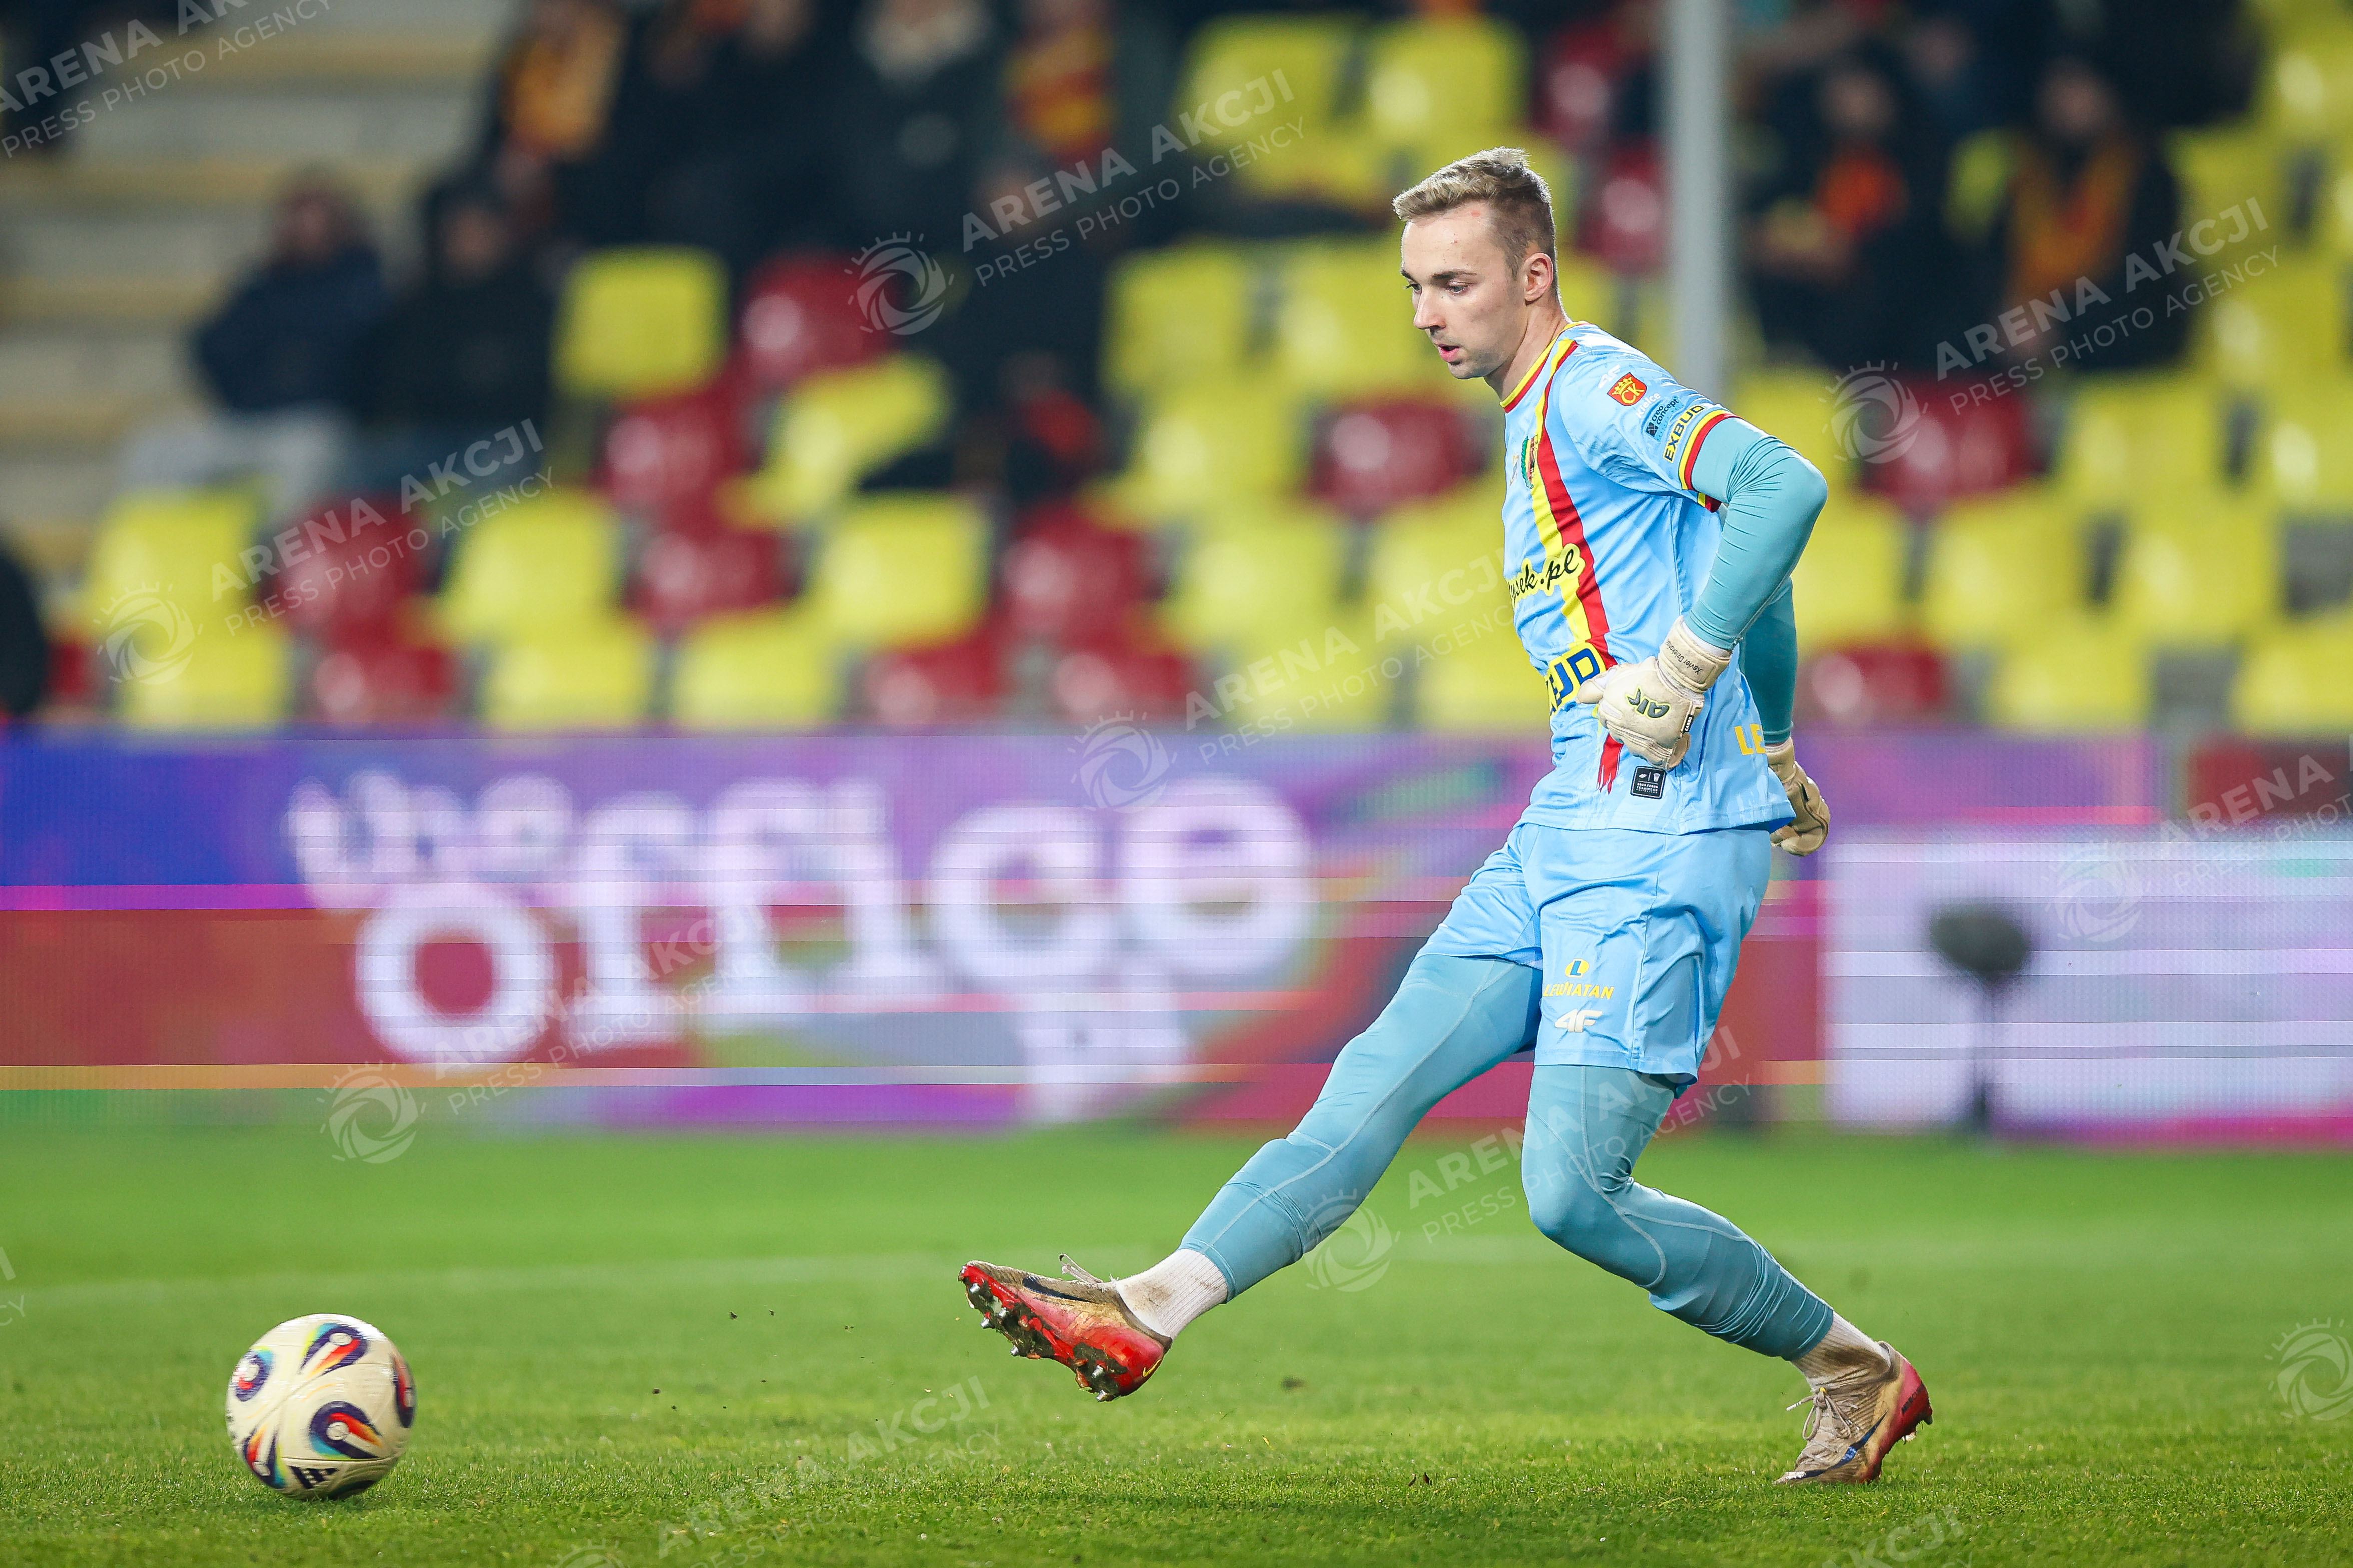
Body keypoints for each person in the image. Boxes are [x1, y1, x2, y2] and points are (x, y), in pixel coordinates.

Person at [962, 148, 1933, 1488]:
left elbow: (1782, 487)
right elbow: (1747, 570)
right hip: (1569, 815)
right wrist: (1770, 738)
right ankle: (1148, 1305)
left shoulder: (1591, 388)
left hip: (1658, 840)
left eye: (1455, 282)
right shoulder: (1528, 414)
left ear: (1533, 275)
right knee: (1372, 1076)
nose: (1426, 310)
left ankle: (1853, 1364)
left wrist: (1687, 670)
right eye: (1414, 284)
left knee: (1570, 1194)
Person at [117, 174, 386, 522]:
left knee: (310, 460)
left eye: (320, 221)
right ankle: (156, 547)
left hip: (313, 425)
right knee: (151, 449)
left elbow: (367, 368)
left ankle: (272, 553)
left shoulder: (368, 291)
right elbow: (211, 345)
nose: (308, 231)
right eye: (299, 220)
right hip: (244, 422)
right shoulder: (260, 287)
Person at [349, 187, 553, 493]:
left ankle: (456, 529)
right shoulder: (422, 301)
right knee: (358, 475)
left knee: (497, 472)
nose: (469, 241)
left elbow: (532, 387)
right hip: (429, 436)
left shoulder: (531, 299)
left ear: (502, 235)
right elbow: (400, 379)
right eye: (459, 233)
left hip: (500, 436)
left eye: (479, 231)